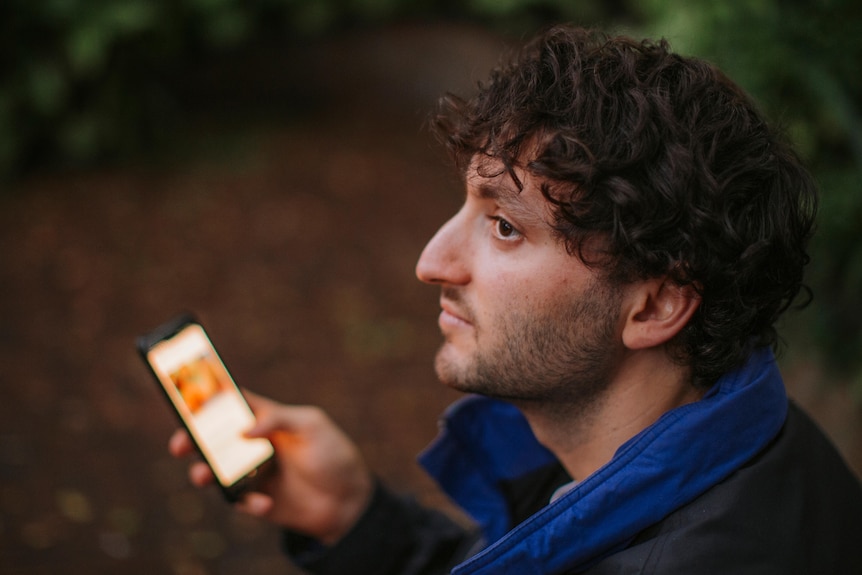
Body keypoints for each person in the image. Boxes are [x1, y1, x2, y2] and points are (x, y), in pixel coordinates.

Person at [169, 25, 862, 573]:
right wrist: (354, 517)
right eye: (467, 205)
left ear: (653, 307)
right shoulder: (750, 436)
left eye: (504, 226)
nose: (431, 262)